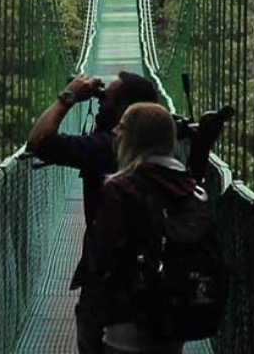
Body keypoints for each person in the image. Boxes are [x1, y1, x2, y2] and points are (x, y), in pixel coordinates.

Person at [25, 74, 226, 353]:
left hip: (121, 314)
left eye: (106, 99)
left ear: (127, 118)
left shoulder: (114, 168)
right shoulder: (179, 178)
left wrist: (68, 95)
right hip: (169, 308)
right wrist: (201, 144)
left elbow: (38, 142)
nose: (100, 102)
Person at [85, 103, 210, 354]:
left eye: (121, 126)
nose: (115, 132)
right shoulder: (191, 187)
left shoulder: (120, 189)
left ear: (134, 136)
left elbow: (103, 256)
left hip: (127, 323)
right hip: (175, 315)